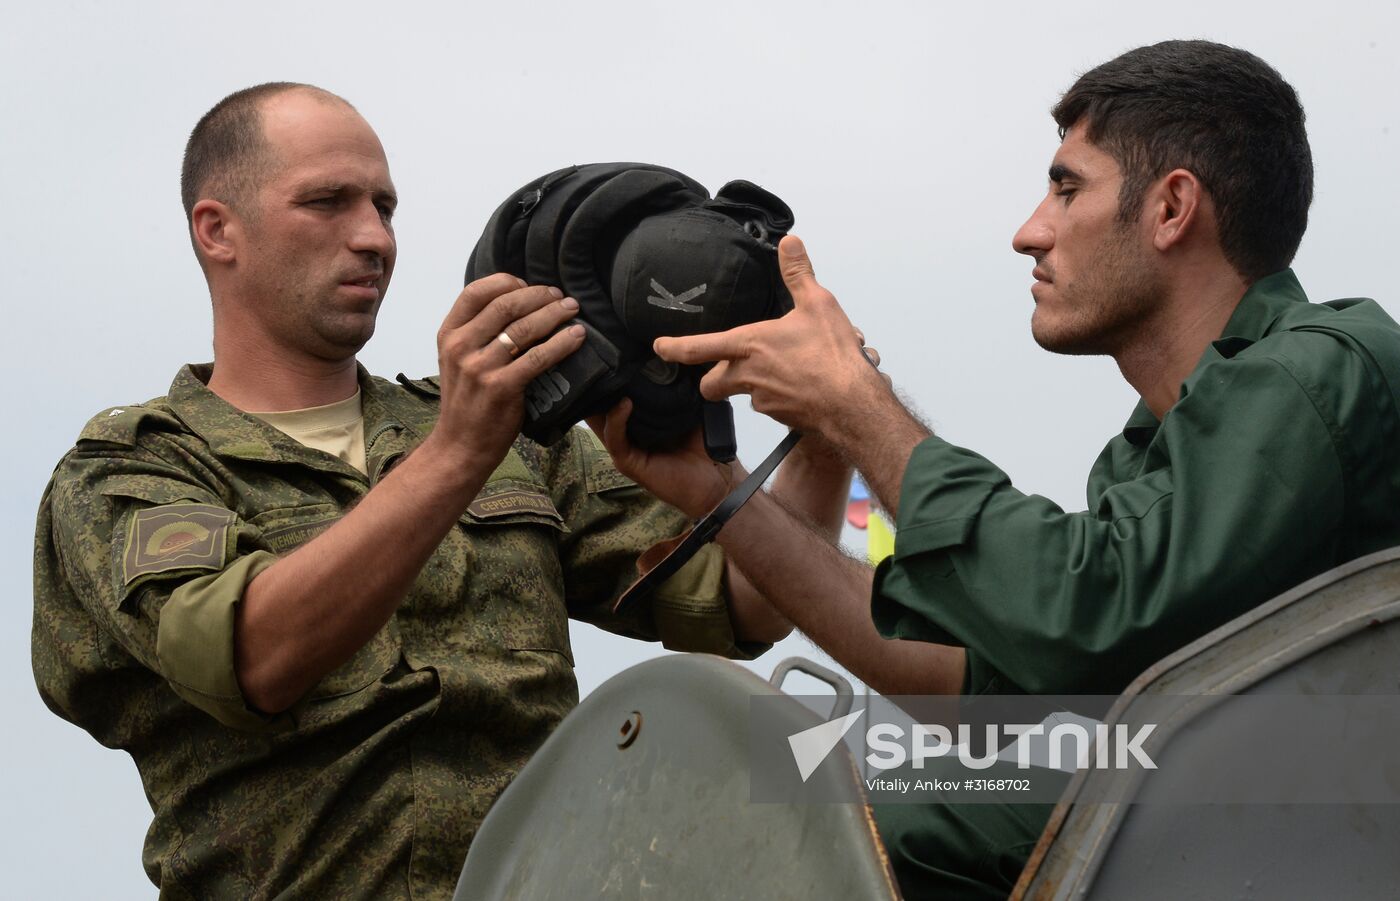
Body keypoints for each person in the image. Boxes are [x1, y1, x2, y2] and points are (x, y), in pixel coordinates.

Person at [592, 40, 1400, 899]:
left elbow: (1088, 609)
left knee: (871, 820)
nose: (1029, 232)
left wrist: (860, 407)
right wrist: (716, 491)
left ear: (1171, 209)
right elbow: (973, 687)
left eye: (1066, 187)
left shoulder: (1316, 372)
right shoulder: (1155, 457)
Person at [30, 82, 853, 899]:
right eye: (327, 202)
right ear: (219, 230)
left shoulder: (507, 434)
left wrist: (823, 424)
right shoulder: (131, 469)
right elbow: (254, 657)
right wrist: (456, 452)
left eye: (384, 208)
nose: (373, 238)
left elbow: (748, 601)